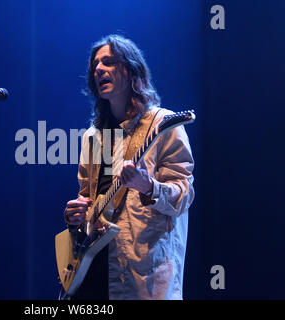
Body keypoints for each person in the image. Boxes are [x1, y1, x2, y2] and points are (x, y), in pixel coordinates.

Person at [63, 35, 195, 300]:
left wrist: (146, 185)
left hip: (140, 275)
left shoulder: (162, 124)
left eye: (108, 62)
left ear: (131, 69)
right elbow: (89, 200)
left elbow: (184, 196)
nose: (98, 69)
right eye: (95, 66)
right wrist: (77, 214)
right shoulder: (94, 136)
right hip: (93, 269)